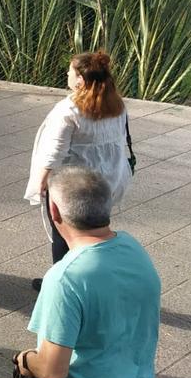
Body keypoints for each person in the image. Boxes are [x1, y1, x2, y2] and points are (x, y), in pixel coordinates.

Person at [16, 166, 160, 378]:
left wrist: (25, 359)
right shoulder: (133, 248)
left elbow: (52, 372)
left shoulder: (65, 278)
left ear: (54, 211)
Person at [26, 52, 132, 286]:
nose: (67, 73)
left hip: (73, 183)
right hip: (107, 179)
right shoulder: (116, 104)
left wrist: (42, 181)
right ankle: (92, 278)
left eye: (70, 71)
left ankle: (61, 283)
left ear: (80, 80)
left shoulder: (69, 110)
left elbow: (55, 151)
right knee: (94, 233)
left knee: (64, 234)